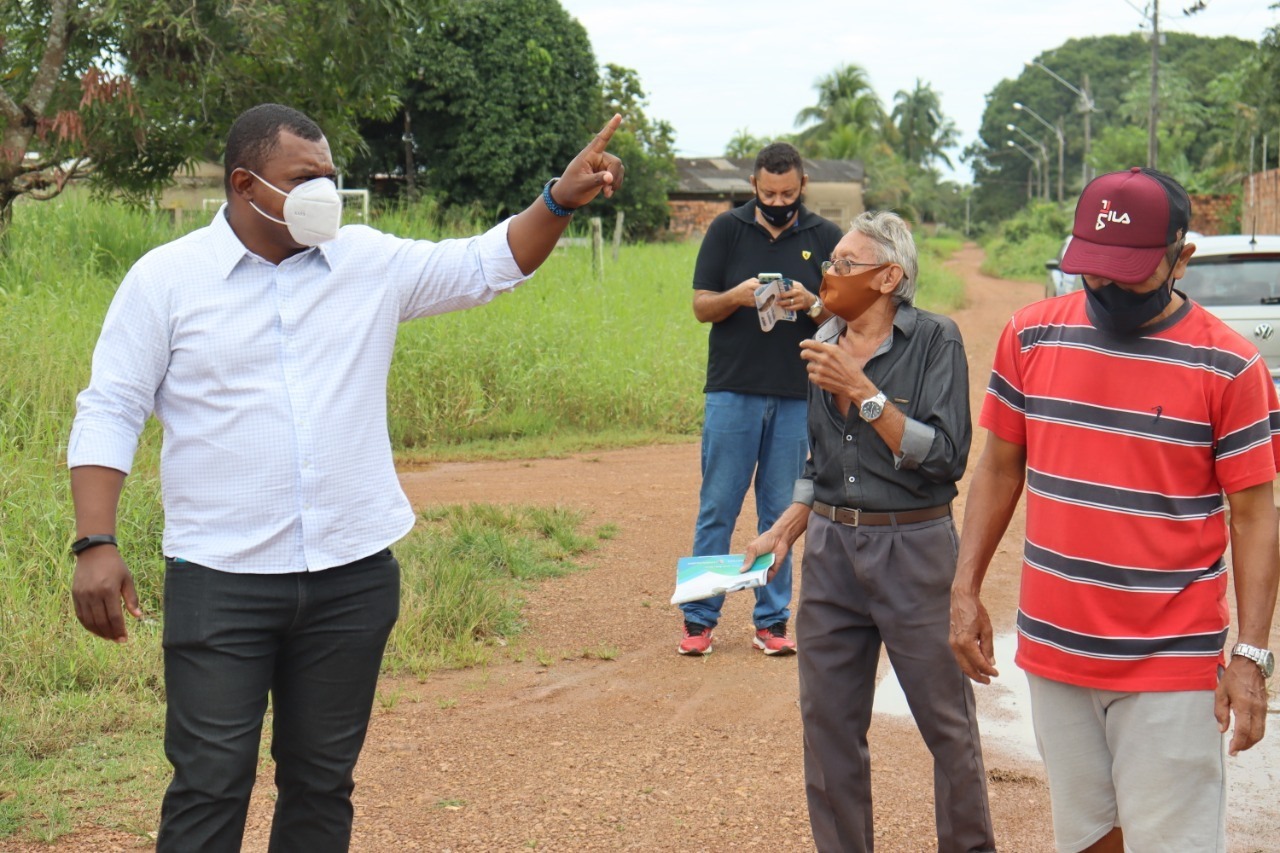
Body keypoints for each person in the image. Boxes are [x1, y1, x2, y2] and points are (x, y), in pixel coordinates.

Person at [67, 103, 623, 851]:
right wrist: (95, 540)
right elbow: (112, 406)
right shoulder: (166, 281)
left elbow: (489, 263)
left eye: (331, 178)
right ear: (245, 185)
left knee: (322, 782)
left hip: (350, 579)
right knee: (209, 780)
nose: (326, 192)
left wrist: (557, 199)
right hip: (221, 578)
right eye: (306, 179)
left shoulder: (367, 263)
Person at [950, 167, 1280, 853]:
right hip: (1055, 650)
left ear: (1179, 256)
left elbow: (1253, 516)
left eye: (1128, 272)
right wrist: (964, 587)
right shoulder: (1030, 337)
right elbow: (999, 467)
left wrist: (1249, 654)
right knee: (1090, 837)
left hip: (1171, 661)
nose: (1105, 287)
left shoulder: (1231, 366)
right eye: (1093, 270)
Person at [744, 211, 994, 852]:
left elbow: (945, 456)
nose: (829, 274)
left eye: (844, 265)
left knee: (948, 726)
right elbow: (820, 458)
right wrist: (789, 526)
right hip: (831, 552)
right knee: (827, 727)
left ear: (889, 276)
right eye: (830, 263)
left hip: (913, 550)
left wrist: (866, 393)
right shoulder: (825, 336)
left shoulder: (937, 340)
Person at [681, 142, 842, 656]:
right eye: (769, 192)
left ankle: (771, 623)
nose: (778, 200)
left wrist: (813, 302)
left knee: (781, 511)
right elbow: (702, 306)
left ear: (802, 187)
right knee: (718, 508)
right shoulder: (727, 230)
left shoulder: (825, 237)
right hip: (732, 391)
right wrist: (738, 296)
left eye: (788, 193)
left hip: (799, 394)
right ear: (753, 186)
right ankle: (699, 621)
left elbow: (846, 319)